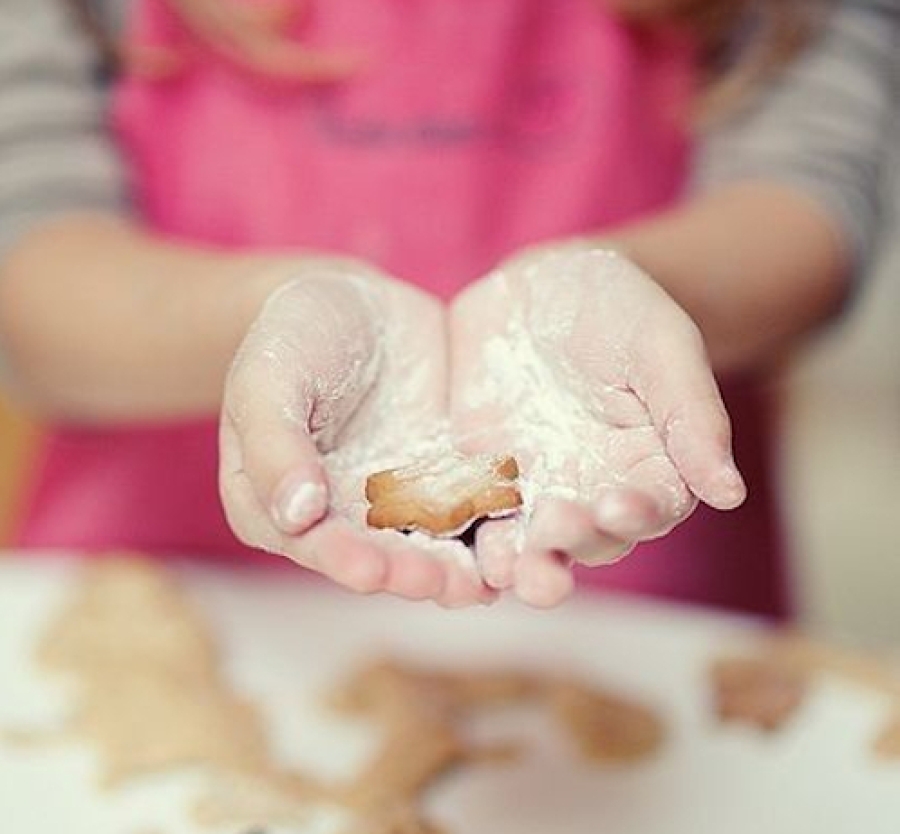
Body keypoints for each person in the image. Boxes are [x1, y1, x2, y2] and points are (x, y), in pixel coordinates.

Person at [0, 0, 894, 610]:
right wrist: (263, 315)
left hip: (624, 606)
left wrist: (630, 282)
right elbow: (32, 271)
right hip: (165, 603)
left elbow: (810, 202)